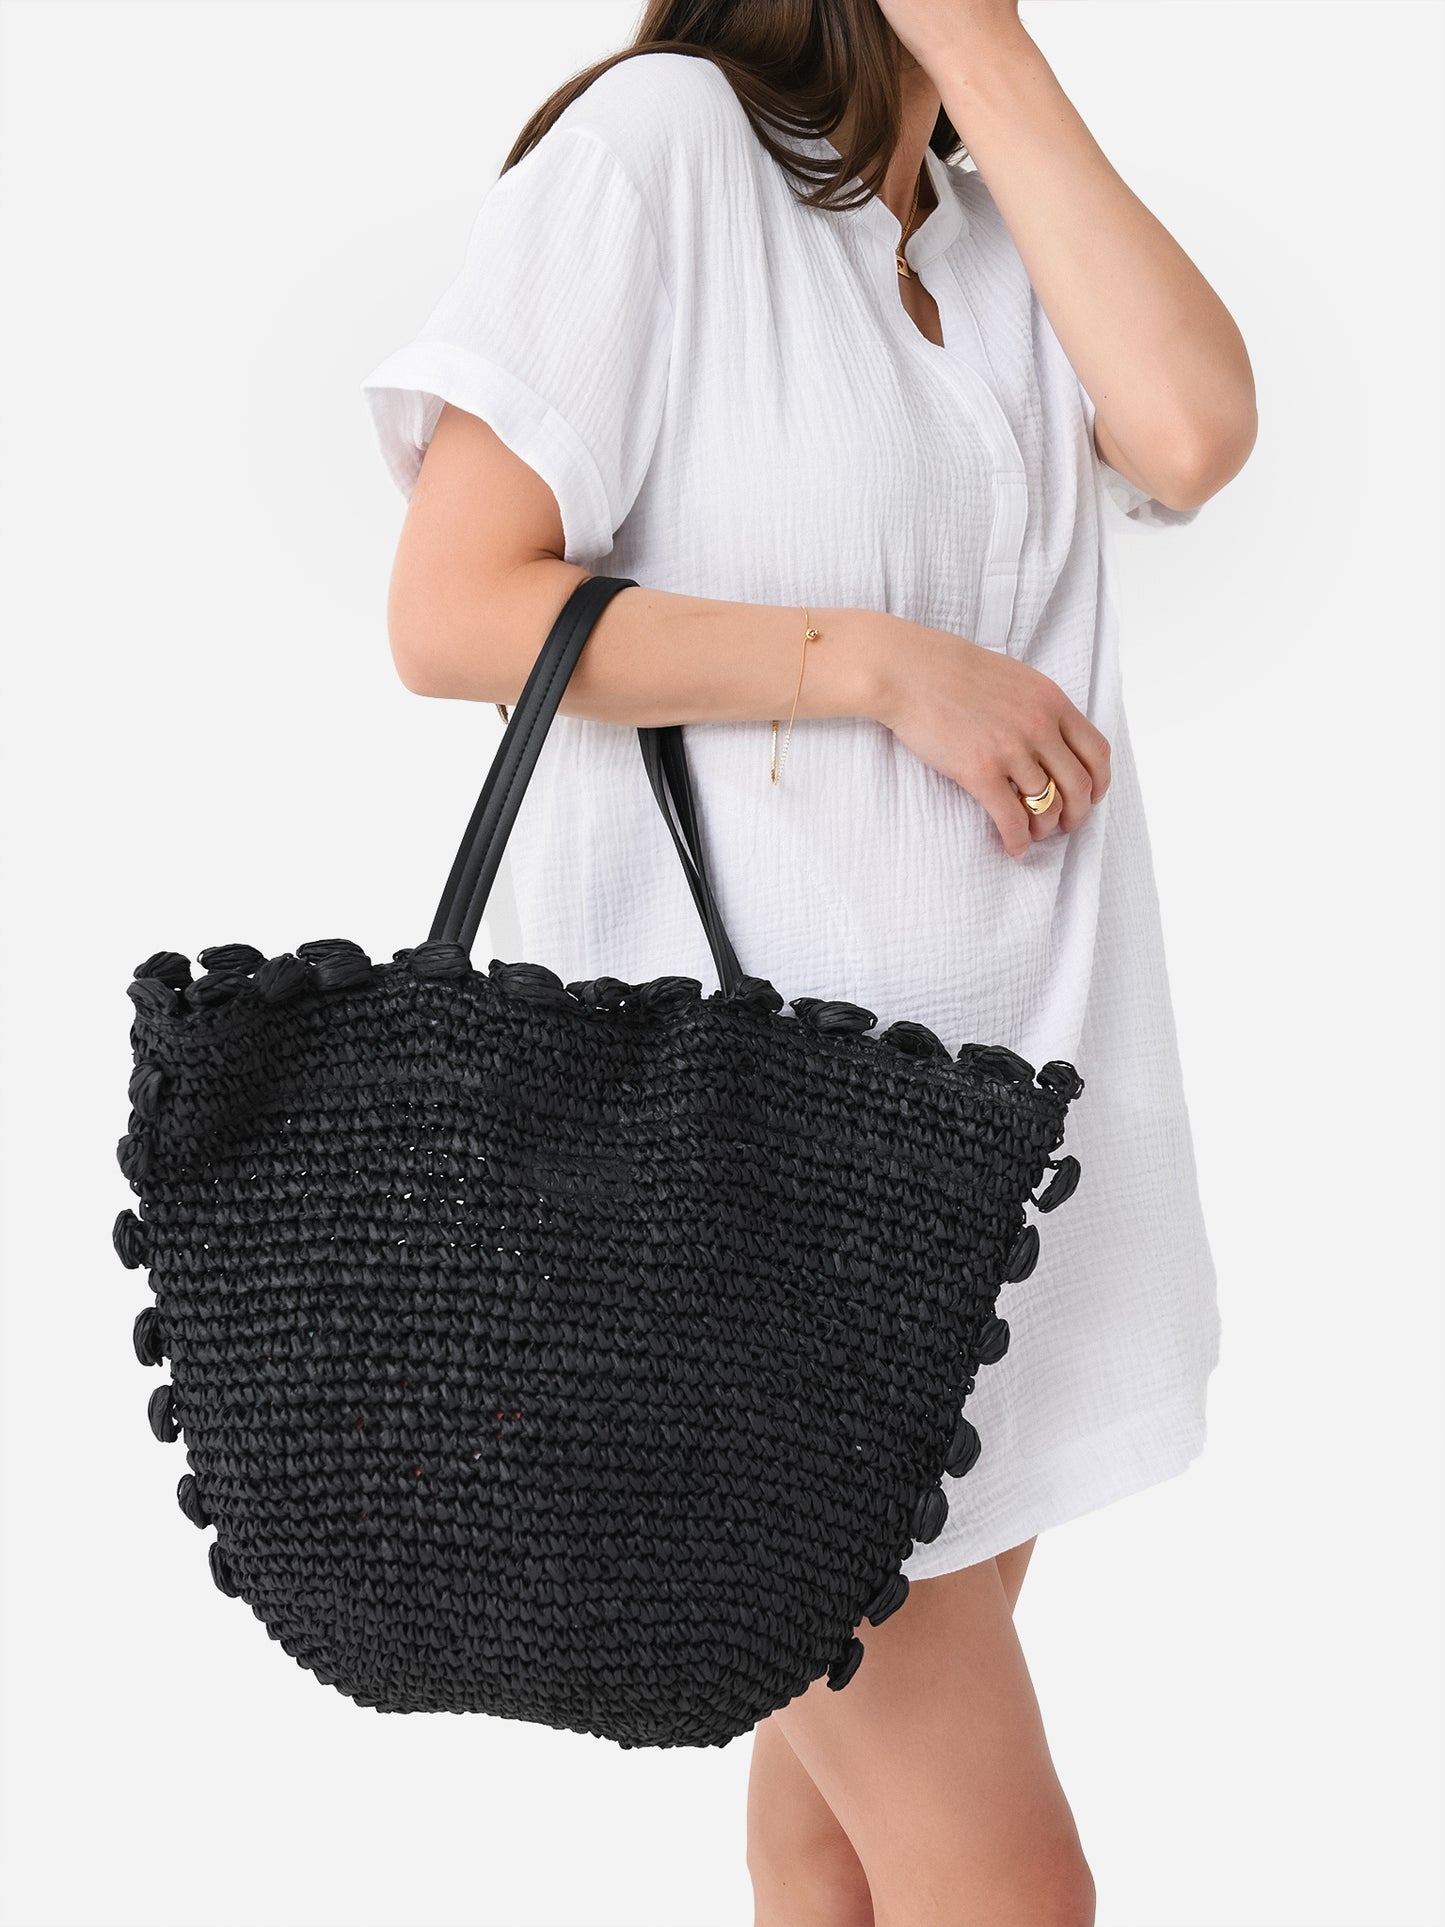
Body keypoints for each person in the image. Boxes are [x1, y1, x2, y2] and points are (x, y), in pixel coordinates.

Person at [360, 2, 1255, 1920]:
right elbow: (450, 607)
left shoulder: (991, 227)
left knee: (826, 1837)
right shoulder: (663, 148)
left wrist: (988, 68)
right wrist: (875, 666)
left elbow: (1191, 433)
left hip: (996, 1158)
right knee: (1006, 1885)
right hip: (746, 1199)